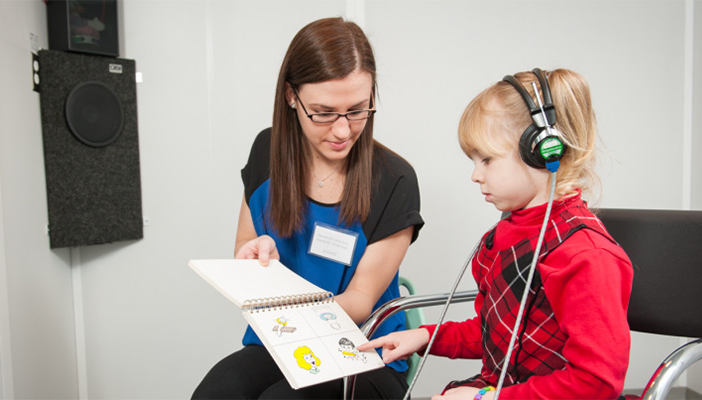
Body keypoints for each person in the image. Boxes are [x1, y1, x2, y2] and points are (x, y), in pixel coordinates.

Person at [359, 68, 633, 399]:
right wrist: (425, 336)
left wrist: (485, 398)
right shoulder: (504, 237)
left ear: (541, 152)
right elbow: (497, 334)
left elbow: (596, 382)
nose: (475, 175)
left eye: (487, 160)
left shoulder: (585, 256)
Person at [192, 17, 424, 399]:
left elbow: (360, 301)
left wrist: (287, 317)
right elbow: (245, 245)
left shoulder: (394, 179)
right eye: (324, 112)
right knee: (217, 392)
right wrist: (253, 256)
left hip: (364, 349)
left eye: (358, 110)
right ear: (290, 96)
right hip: (282, 339)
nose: (343, 131)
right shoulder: (267, 152)